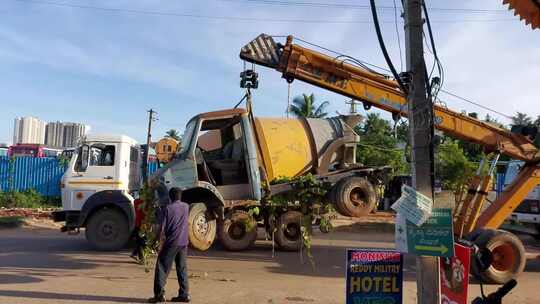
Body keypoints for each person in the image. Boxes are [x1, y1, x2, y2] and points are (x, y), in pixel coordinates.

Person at [148, 187, 190, 303]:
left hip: (172, 242)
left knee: (161, 267)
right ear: (180, 196)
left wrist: (155, 241)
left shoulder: (167, 208)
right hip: (183, 242)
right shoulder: (186, 207)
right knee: (181, 268)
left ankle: (159, 295)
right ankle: (184, 294)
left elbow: (161, 228)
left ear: (170, 197)